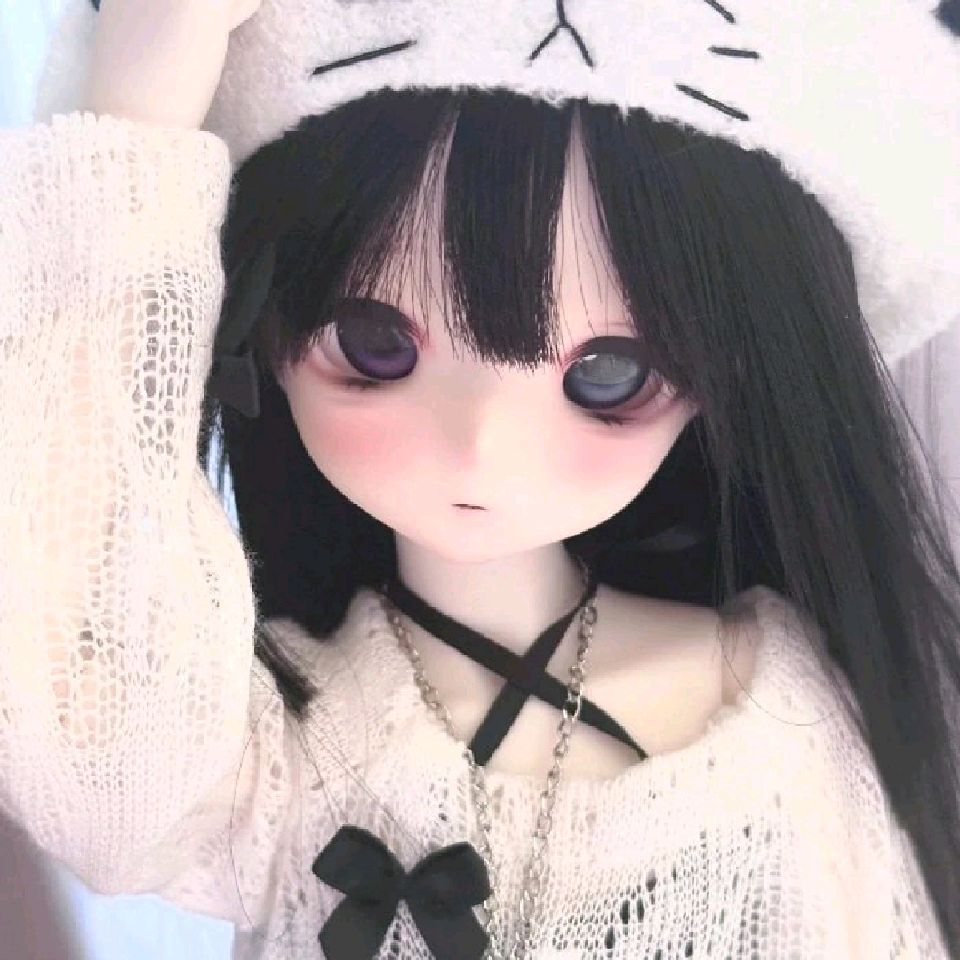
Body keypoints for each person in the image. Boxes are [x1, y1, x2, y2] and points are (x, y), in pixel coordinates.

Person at [3, 0, 960, 958]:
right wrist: (132, 133)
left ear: (721, 376)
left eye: (608, 375)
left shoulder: (770, 721)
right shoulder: (284, 755)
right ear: (261, 336)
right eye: (375, 346)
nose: (480, 447)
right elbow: (84, 737)